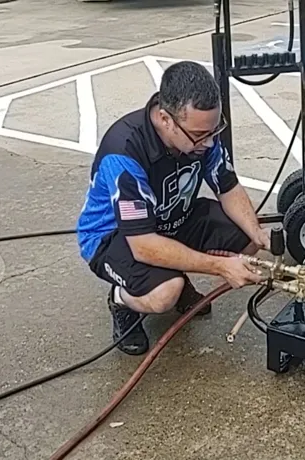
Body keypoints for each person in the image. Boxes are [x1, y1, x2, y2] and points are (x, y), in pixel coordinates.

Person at [76, 60, 269, 356]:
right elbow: (142, 245)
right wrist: (220, 266)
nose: (210, 142)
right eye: (200, 135)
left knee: (245, 240)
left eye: (214, 130)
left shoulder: (202, 133)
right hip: (114, 237)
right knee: (164, 294)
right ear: (166, 119)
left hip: (172, 219)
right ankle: (121, 301)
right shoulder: (125, 151)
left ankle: (176, 270)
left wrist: (257, 233)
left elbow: (227, 186)